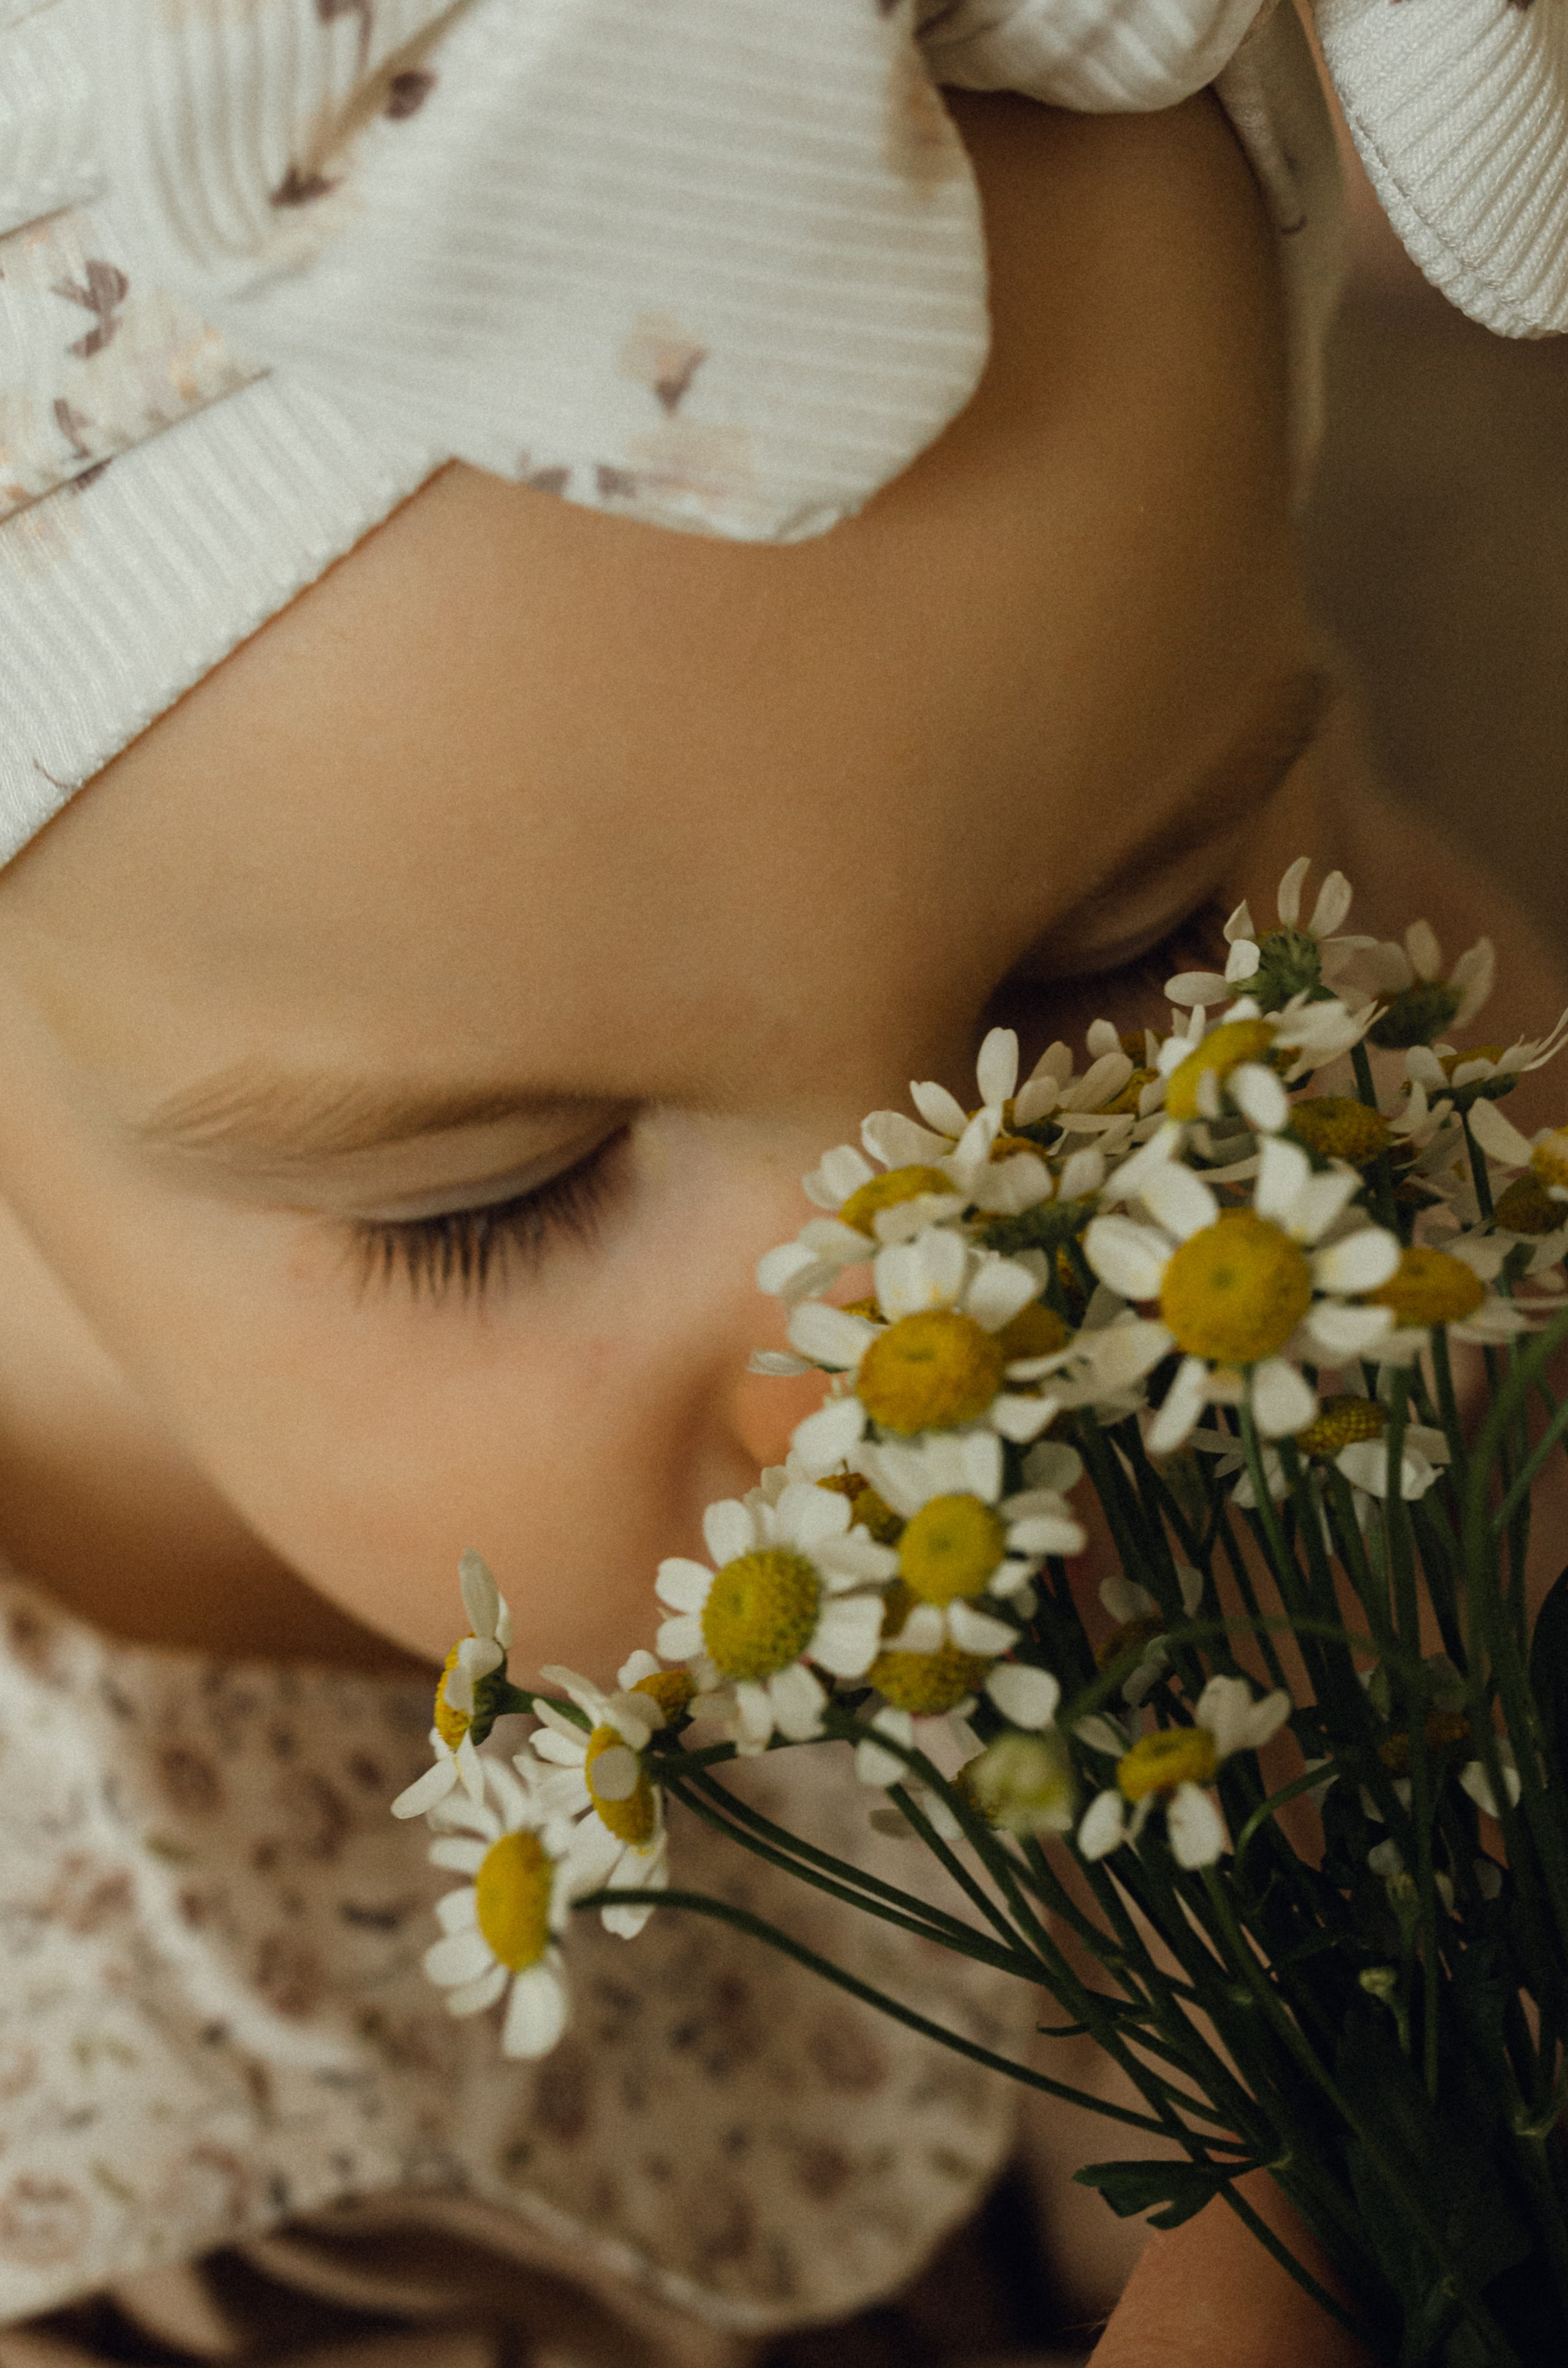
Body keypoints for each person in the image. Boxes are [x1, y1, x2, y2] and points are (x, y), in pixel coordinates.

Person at [0, 3, 1564, 2361]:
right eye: (494, 1199)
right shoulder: (109, 2140)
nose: (924, 1342)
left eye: (1115, 971)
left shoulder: (1156, 797)